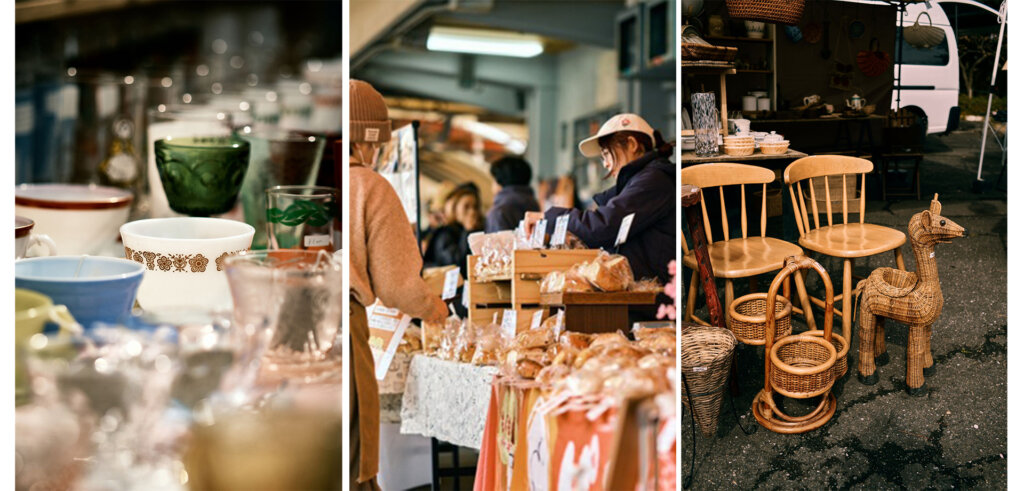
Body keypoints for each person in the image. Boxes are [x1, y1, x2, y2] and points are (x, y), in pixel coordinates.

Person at [349, 79, 448, 491]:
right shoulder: (370, 186)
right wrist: (435, 309)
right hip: (344, 326)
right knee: (355, 462)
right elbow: (399, 286)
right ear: (368, 140)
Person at [525, 113, 675, 319]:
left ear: (631, 144)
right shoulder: (639, 181)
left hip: (654, 302)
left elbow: (604, 225)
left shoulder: (653, 180)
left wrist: (550, 218)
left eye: (606, 153)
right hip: (638, 297)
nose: (605, 164)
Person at [485, 155, 540, 232]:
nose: (492, 187)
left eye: (493, 181)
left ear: (500, 182)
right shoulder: (533, 204)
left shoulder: (498, 212)